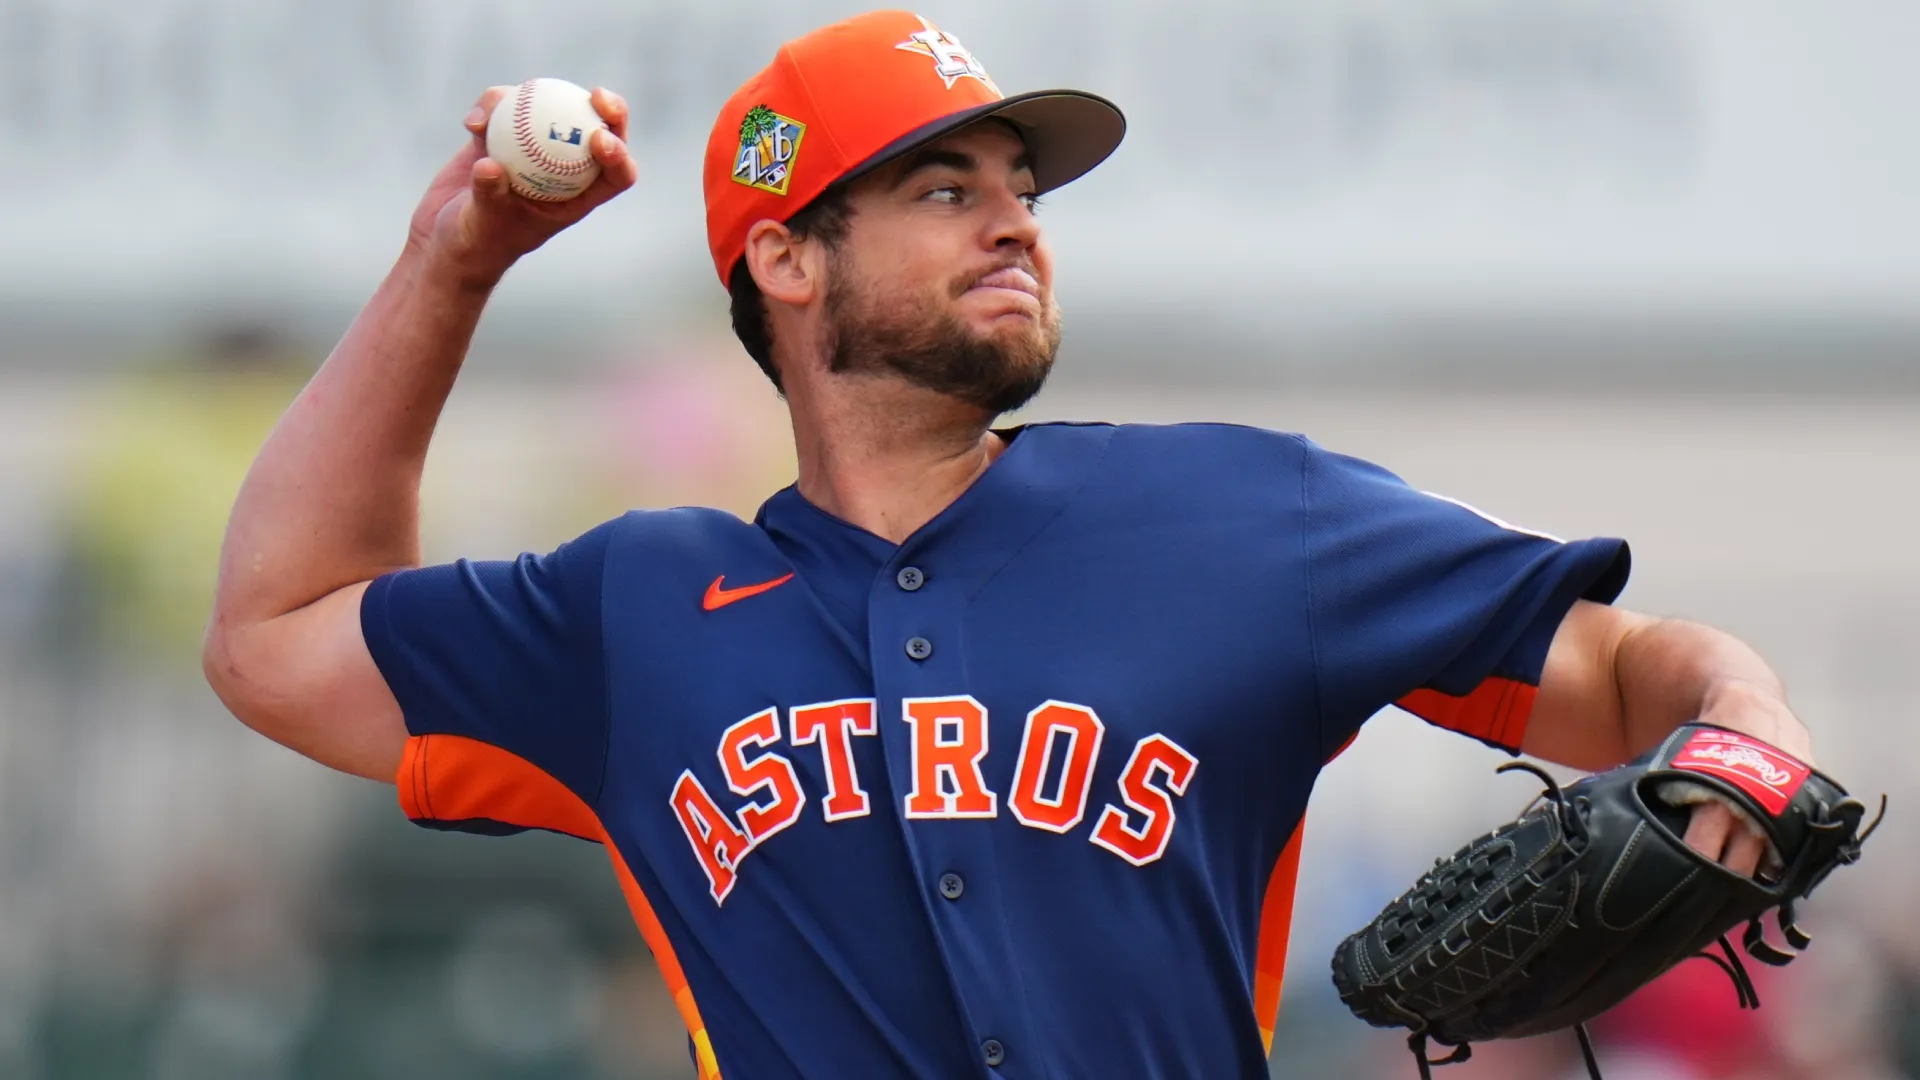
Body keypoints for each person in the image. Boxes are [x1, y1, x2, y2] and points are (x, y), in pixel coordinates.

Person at [204, 10, 1817, 1078]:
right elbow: (279, 635)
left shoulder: (1235, 518)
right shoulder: (635, 611)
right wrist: (456, 263)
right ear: (787, 255)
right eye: (940, 183)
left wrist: (1745, 725)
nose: (1016, 218)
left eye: (1022, 184)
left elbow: (1613, 671)